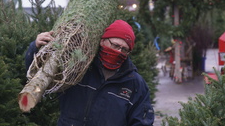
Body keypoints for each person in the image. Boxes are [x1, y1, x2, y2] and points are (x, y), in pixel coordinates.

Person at [25, 20, 155, 126]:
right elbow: (40, 78)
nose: (118, 52)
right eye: (115, 45)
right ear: (102, 41)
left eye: (124, 49)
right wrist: (35, 47)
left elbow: (142, 121)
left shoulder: (134, 83)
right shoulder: (77, 68)